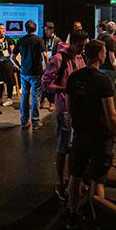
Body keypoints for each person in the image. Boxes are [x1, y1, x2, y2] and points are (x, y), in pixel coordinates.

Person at [65, 40, 116, 229]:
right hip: (99, 136)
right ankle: (97, 221)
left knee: (75, 175)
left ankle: (73, 214)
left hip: (80, 133)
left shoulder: (74, 78)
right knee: (97, 179)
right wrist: (113, 132)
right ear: (100, 55)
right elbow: (111, 114)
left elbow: (70, 107)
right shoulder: (103, 80)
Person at [44, 29, 88, 201]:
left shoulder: (80, 58)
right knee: (63, 147)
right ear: (72, 43)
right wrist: (66, 89)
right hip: (64, 109)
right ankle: (60, 183)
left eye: (84, 46)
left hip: (78, 109)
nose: (82, 49)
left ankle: (71, 180)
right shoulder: (58, 59)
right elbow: (46, 84)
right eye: (80, 46)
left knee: (74, 147)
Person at [14, 20, 48, 130]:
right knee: (36, 97)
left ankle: (24, 122)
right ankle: (35, 122)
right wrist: (46, 67)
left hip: (24, 72)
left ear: (26, 29)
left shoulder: (20, 40)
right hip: (36, 73)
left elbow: (12, 57)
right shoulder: (39, 40)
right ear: (36, 29)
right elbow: (45, 55)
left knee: (24, 96)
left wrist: (19, 66)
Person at [41, 22, 59, 112]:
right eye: (44, 30)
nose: (45, 32)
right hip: (44, 63)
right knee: (42, 82)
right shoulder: (43, 39)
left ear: (51, 30)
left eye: (46, 30)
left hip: (53, 63)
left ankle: (52, 102)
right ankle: (42, 100)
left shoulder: (57, 40)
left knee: (51, 83)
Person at [97, 22, 116, 86]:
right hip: (109, 68)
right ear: (115, 30)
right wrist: (115, 67)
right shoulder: (110, 40)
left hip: (100, 66)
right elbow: (111, 55)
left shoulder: (100, 37)